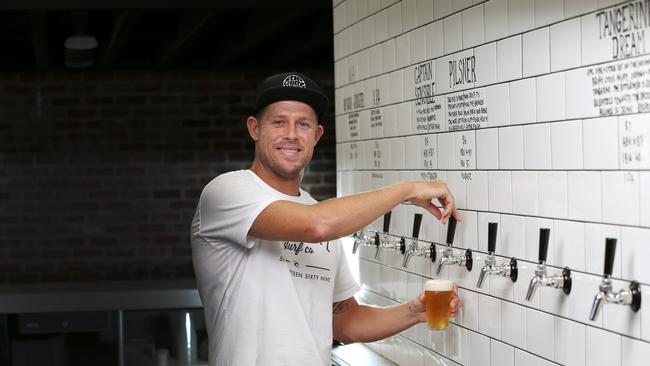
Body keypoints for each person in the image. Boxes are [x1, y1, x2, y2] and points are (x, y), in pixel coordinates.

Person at [191, 72, 462, 366]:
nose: (292, 134)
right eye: (279, 122)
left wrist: (415, 312)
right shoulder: (226, 192)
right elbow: (316, 225)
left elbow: (346, 322)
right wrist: (406, 190)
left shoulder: (323, 218)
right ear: (255, 128)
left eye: (303, 124)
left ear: (316, 135)